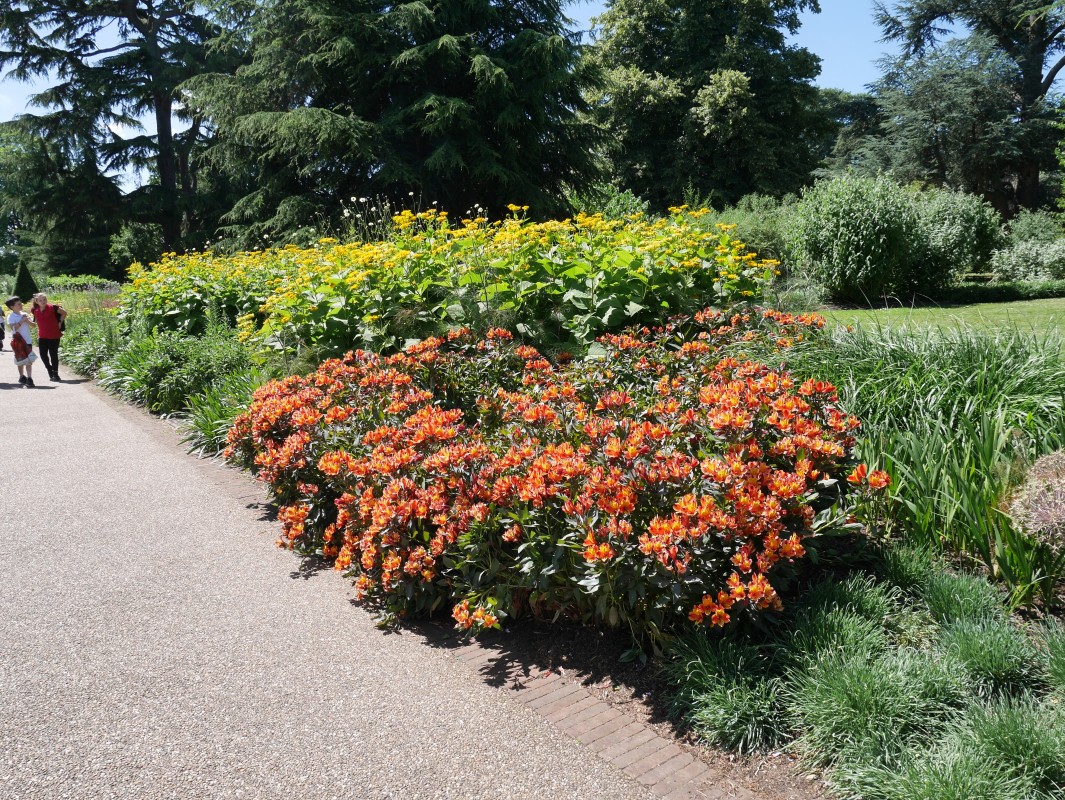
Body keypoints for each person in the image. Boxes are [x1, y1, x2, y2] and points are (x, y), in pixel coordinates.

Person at [31, 292, 66, 381]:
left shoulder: (53, 308)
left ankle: (55, 374)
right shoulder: (34, 310)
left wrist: (60, 322)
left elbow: (64, 313)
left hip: (54, 335)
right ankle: (50, 370)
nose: (43, 301)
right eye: (40, 300)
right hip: (42, 336)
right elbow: (35, 321)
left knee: (53, 354)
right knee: (43, 355)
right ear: (36, 301)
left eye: (44, 299)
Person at [5, 295, 37, 387]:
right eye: (18, 304)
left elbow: (33, 326)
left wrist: (27, 320)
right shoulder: (11, 316)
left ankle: (30, 378)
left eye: (20, 303)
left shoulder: (24, 314)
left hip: (27, 341)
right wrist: (22, 321)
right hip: (18, 342)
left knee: (29, 360)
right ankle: (21, 376)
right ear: (12, 307)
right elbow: (14, 329)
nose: (21, 305)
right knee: (21, 360)